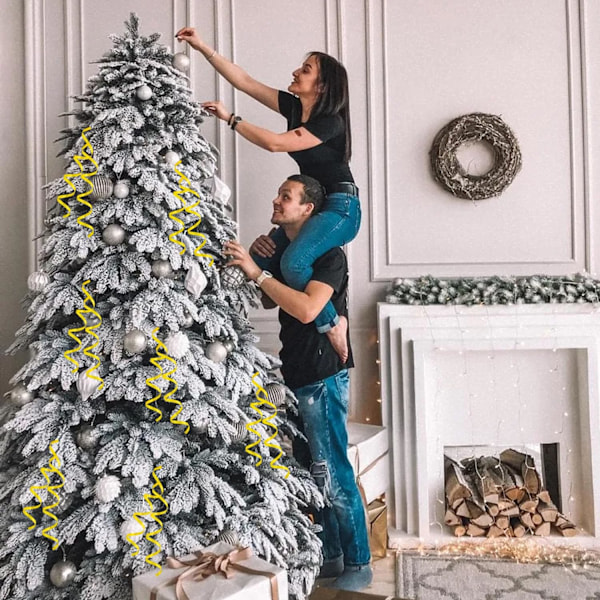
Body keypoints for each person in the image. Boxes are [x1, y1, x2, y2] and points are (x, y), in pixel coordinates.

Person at [223, 174, 372, 592]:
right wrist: (261, 259)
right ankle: (331, 555)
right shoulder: (286, 248)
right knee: (312, 471)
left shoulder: (330, 255)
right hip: (296, 370)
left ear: (308, 209)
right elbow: (272, 299)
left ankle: (359, 563)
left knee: (334, 471)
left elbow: (307, 310)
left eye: (286, 198)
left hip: (323, 374)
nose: (276, 201)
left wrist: (257, 273)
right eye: (279, 194)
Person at [176, 27, 361, 363]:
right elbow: (245, 82)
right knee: (262, 259)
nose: (295, 71)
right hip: (313, 207)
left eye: (305, 70)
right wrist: (202, 47)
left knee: (293, 261)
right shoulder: (293, 106)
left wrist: (231, 119)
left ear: (322, 86)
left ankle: (333, 322)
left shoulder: (330, 123)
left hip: (340, 208)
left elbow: (276, 143)